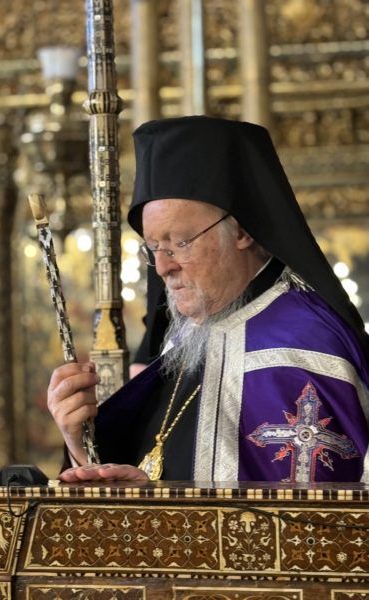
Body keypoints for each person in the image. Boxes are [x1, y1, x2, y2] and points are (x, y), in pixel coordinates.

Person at [48, 116, 369, 484]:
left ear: (242, 231)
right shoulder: (187, 343)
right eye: (154, 247)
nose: (163, 267)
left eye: (181, 243)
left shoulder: (308, 346)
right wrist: (81, 443)